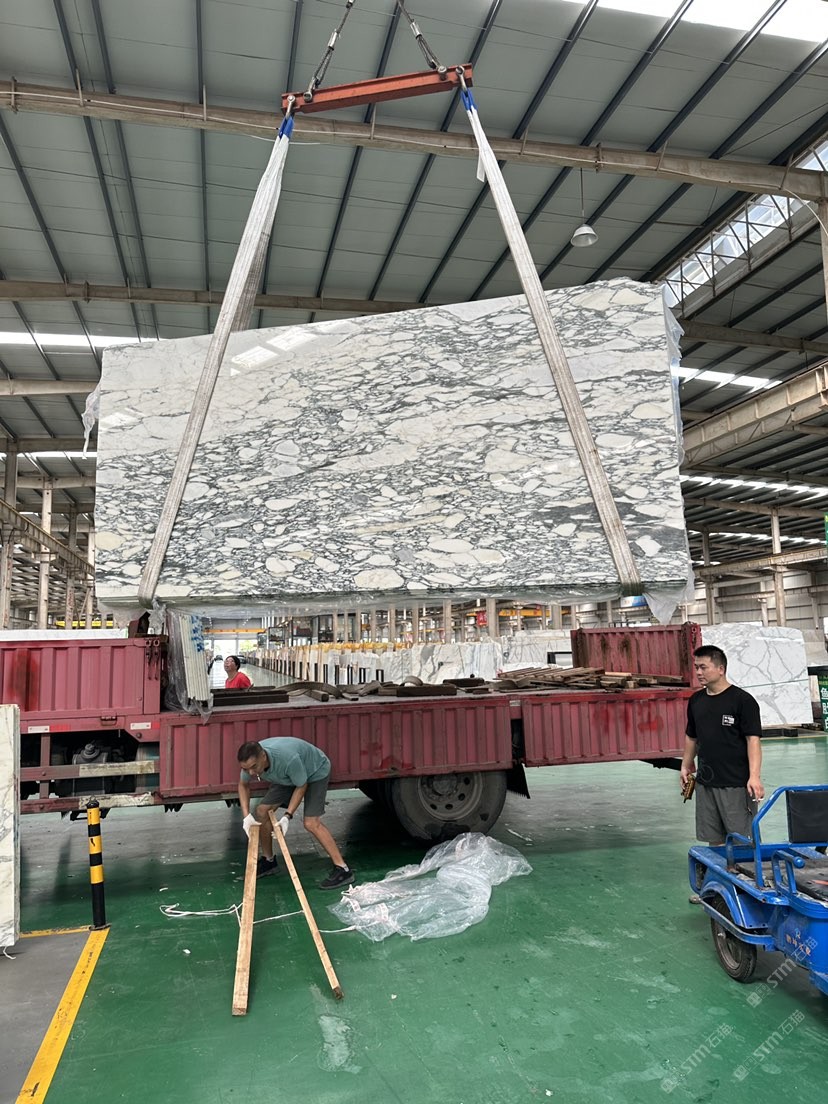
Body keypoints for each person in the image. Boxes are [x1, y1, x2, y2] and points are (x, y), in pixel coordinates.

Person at [681, 645, 764, 900]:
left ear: (721, 668)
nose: (698, 672)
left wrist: (754, 776)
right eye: (696, 667)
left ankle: (745, 891)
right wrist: (686, 765)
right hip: (706, 782)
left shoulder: (742, 701)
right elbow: (692, 736)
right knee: (713, 839)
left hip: (736, 783)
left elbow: (753, 740)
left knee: (740, 840)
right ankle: (715, 889)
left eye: (703, 667)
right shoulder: (697, 700)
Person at [237, 737, 355, 889]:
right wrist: (246, 816)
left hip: (314, 771)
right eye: (246, 769)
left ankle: (343, 869)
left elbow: (301, 785)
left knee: (311, 823)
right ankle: (269, 861)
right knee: (262, 811)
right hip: (288, 777)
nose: (251, 772)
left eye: (254, 767)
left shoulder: (288, 759)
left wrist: (287, 816)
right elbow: (243, 785)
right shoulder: (250, 763)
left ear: (263, 757)